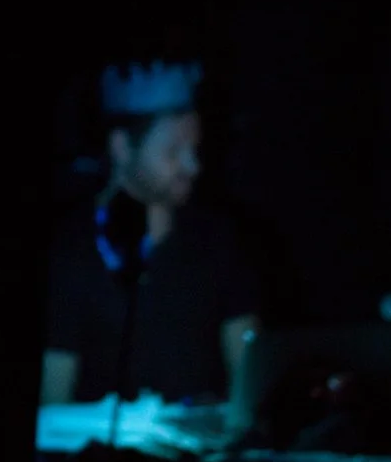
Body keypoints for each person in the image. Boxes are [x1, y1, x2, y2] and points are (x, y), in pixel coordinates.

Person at [40, 60, 261, 405]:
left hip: (202, 438)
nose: (193, 166)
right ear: (121, 148)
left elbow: (249, 378)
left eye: (194, 150)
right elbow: (52, 402)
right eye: (173, 152)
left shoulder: (220, 240)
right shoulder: (69, 250)